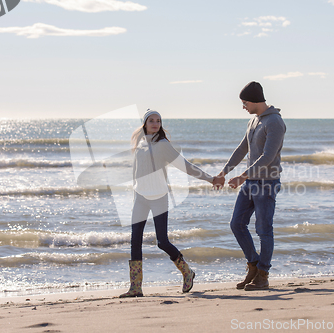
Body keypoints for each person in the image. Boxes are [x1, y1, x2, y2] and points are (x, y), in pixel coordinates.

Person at [120, 109, 216, 298]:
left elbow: (185, 166)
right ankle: (136, 288)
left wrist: (210, 179)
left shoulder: (163, 144)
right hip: (140, 197)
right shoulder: (139, 144)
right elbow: (136, 172)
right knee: (135, 241)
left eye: (158, 121)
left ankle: (187, 272)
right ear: (145, 124)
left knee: (162, 241)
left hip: (159, 197)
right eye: (152, 120)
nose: (155, 123)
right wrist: (134, 193)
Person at [213, 81, 286, 291]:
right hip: (251, 182)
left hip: (267, 183)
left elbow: (268, 157)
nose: (243, 106)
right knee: (237, 224)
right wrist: (224, 172)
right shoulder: (254, 122)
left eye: (244, 102)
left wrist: (242, 176)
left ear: (253, 100)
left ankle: (263, 275)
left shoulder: (275, 122)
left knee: (264, 229)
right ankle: (253, 265)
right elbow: (242, 149)